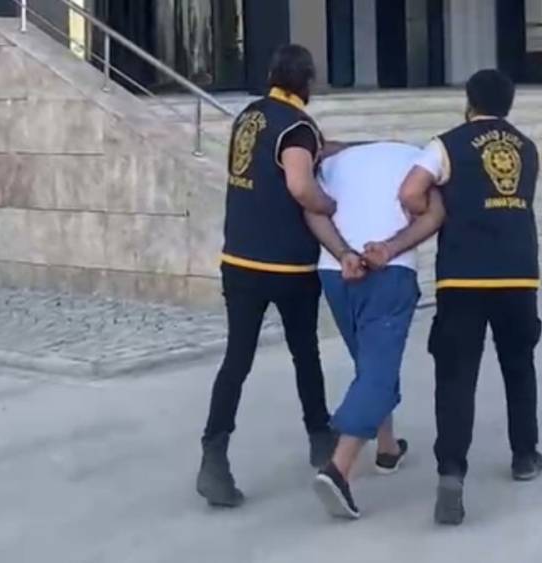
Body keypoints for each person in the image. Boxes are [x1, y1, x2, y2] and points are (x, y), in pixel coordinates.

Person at [197, 44, 352, 508]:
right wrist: (330, 204)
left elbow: (302, 154)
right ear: (308, 81)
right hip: (287, 263)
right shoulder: (297, 126)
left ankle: (213, 455)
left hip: (239, 258)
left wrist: (350, 150)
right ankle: (320, 437)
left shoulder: (251, 116)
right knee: (305, 353)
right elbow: (301, 185)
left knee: (237, 359)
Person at [400, 69, 542, 526]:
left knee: (456, 375)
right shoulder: (527, 148)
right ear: (509, 103)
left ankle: (451, 474)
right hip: (518, 272)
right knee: (519, 365)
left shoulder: (446, 144)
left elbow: (410, 190)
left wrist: (432, 210)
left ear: (469, 102)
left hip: (463, 275)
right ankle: (525, 455)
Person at [303, 142, 446, 519]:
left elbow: (313, 211)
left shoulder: (334, 162)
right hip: (390, 272)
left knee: (370, 365)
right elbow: (433, 214)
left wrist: (344, 254)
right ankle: (338, 470)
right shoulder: (420, 159)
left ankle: (387, 449)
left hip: (335, 272)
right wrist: (389, 248)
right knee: (378, 372)